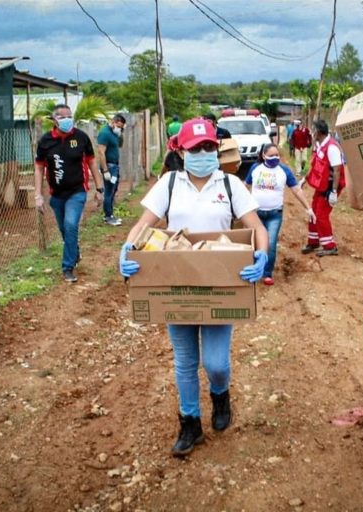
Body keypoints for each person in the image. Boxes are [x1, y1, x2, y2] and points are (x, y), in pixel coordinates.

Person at [118, 118, 269, 458]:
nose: (202, 153)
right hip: (177, 282)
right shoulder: (169, 184)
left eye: (209, 147)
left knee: (215, 362)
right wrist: (127, 249)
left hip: (219, 284)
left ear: (217, 149)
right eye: (195, 148)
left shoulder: (230, 184)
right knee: (185, 361)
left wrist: (262, 254)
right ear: (181, 151)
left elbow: (256, 227)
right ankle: (190, 423)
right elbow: (144, 225)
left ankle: (220, 393)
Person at [34, 104, 102, 283]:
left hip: (77, 192)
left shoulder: (81, 138)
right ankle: (75, 252)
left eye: (69, 116)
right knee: (65, 230)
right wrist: (38, 195)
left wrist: (99, 188)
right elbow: (39, 169)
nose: (67, 119)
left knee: (71, 225)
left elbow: (92, 163)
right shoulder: (45, 141)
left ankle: (68, 267)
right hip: (56, 195)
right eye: (62, 116)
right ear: (54, 120)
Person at [245, 143, 315, 285]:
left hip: (274, 214)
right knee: (253, 242)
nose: (275, 158)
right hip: (255, 214)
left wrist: (308, 208)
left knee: (270, 243)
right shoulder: (255, 168)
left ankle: (266, 273)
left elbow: (296, 190)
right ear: (263, 156)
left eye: (277, 155)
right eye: (271, 156)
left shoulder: (284, 171)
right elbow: (246, 186)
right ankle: (252, 268)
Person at [301, 120, 345, 257]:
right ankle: (313, 241)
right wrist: (305, 179)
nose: (311, 132)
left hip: (329, 187)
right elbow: (315, 165)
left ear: (318, 131)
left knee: (321, 216)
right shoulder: (321, 145)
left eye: (313, 129)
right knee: (313, 212)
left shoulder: (331, 147)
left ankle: (330, 246)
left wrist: (333, 192)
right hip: (322, 186)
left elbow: (337, 170)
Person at [96, 114, 127, 226]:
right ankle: (108, 216)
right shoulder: (104, 133)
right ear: (114, 122)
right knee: (108, 191)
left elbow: (120, 145)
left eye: (122, 127)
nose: (120, 128)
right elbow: (101, 152)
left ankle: (111, 214)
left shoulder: (114, 133)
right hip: (109, 166)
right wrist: (105, 170)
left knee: (113, 190)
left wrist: (121, 133)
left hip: (115, 166)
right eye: (119, 126)